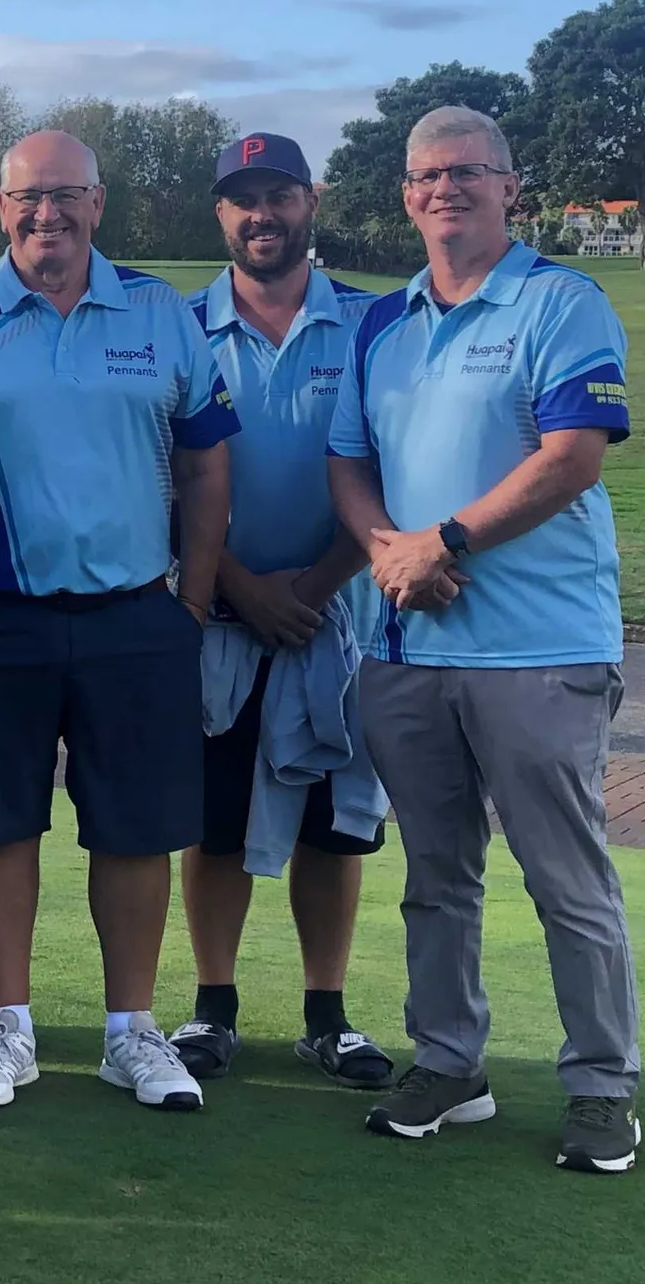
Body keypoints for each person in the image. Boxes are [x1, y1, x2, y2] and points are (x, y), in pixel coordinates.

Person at [328, 105, 640, 1175]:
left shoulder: (561, 301)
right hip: (408, 646)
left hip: (536, 649)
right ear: (404, 194)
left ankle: (601, 1083)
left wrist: (442, 539)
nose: (443, 188)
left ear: (511, 187)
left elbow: (569, 457)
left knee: (565, 878)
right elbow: (347, 460)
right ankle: (449, 1060)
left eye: (466, 171)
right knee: (434, 875)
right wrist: (387, 549)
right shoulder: (382, 322)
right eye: (424, 175)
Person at [0, 130, 237, 1115]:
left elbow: (206, 460)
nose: (43, 214)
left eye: (63, 196)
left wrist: (192, 602)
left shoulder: (156, 311)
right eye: (23, 199)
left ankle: (129, 1031)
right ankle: (6, 1026)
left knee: (134, 832)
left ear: (97, 203)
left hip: (136, 614)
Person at [167, 133, 393, 1089]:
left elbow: (391, 470)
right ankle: (211, 1009)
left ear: (310, 202)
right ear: (221, 214)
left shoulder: (377, 324)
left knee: (331, 825)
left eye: (280, 195)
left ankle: (325, 1016)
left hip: (335, 616)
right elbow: (164, 478)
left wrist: (315, 584)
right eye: (242, 199)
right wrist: (239, 585)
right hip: (222, 614)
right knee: (213, 824)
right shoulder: (179, 326)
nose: (262, 214)